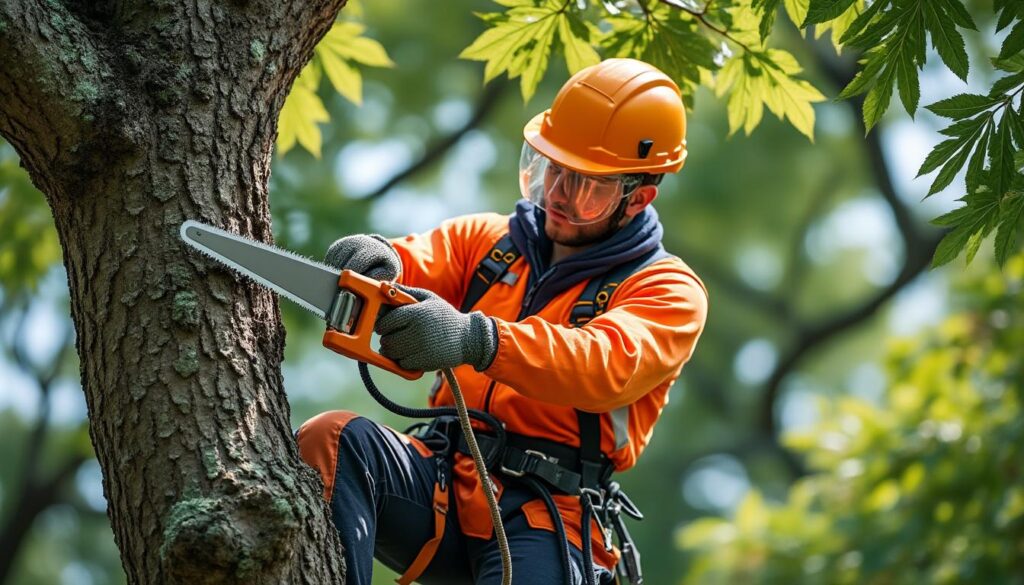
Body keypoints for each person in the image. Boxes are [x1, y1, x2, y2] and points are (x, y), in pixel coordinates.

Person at [296, 58, 709, 585]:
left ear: (638, 198)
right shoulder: (488, 242)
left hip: (550, 516)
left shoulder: (667, 290)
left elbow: (601, 364)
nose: (558, 194)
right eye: (553, 169)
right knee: (332, 440)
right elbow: (416, 262)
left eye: (586, 187)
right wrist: (379, 260)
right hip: (441, 480)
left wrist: (477, 339)